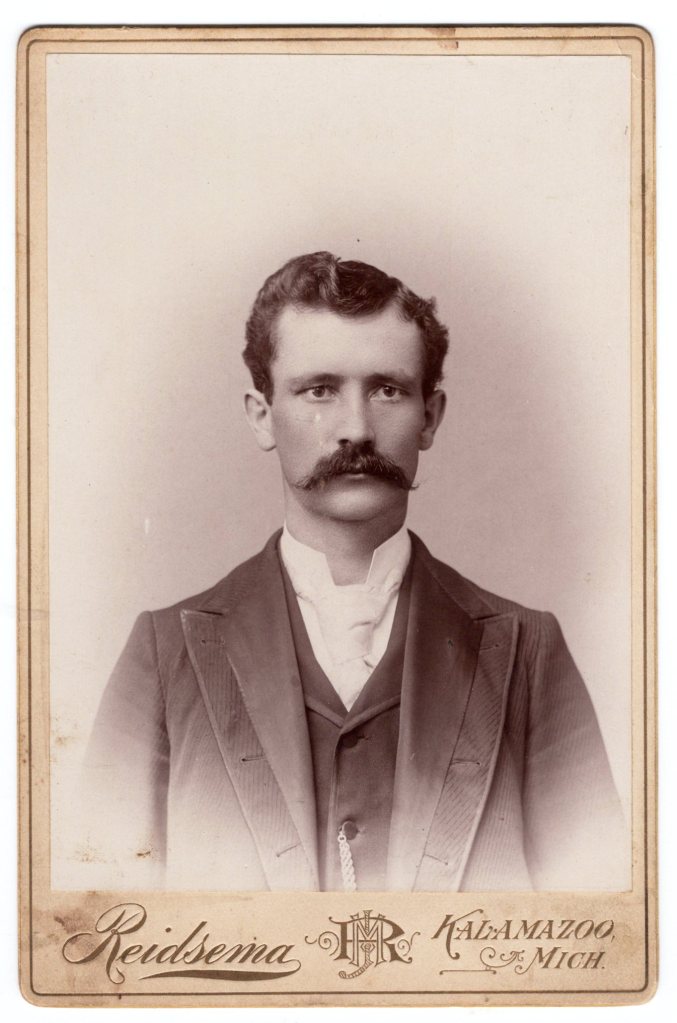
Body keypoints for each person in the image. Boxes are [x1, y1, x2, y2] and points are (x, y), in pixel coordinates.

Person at [84, 251, 627, 892]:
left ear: (430, 417)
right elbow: (100, 921)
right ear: (262, 415)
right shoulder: (164, 652)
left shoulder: (529, 652)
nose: (356, 429)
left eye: (387, 389)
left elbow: (595, 915)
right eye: (319, 390)